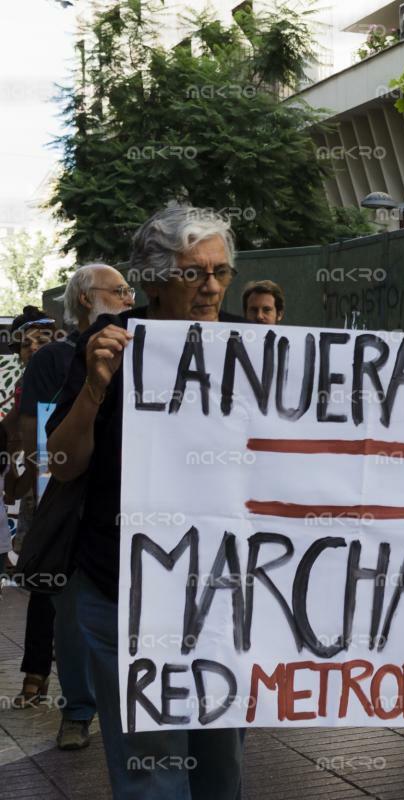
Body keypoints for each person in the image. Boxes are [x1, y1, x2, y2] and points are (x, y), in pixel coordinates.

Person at [47, 204, 246, 798]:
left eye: (221, 271)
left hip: (226, 593)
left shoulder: (257, 346)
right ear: (155, 277)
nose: (211, 286)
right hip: (128, 593)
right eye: (194, 273)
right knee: (152, 761)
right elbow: (60, 464)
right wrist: (94, 386)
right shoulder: (107, 347)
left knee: (222, 759)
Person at [13, 265, 133, 749]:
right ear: (87, 300)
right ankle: (78, 711)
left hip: (127, 511)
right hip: (68, 509)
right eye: (119, 290)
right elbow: (33, 435)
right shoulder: (55, 358)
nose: (130, 297)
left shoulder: (142, 350)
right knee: (71, 615)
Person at [5, 308, 60, 713]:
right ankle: (35, 675)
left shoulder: (76, 376)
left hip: (78, 500)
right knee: (43, 586)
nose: (33, 348)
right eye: (27, 344)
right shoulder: (22, 392)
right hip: (39, 502)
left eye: (41, 339)